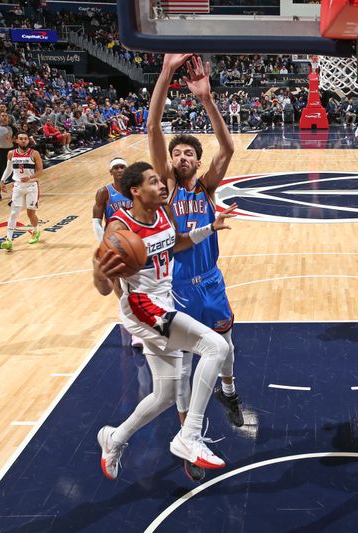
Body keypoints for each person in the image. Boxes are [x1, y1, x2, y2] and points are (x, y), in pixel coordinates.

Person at [93, 161, 237, 480]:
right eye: (154, 181)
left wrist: (210, 228)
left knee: (165, 394)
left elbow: (178, 244)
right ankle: (190, 436)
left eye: (161, 181)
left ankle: (113, 439)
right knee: (215, 347)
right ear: (136, 191)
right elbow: (103, 286)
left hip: (164, 301)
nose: (162, 185)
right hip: (142, 306)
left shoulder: (163, 213)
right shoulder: (118, 228)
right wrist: (99, 273)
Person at [148, 54, 245, 432]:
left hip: (211, 280)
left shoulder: (207, 188)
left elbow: (229, 148)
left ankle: (229, 390)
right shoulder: (164, 187)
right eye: (178, 153)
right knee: (185, 362)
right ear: (170, 162)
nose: (183, 157)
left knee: (227, 349)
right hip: (177, 285)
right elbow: (153, 125)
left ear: (197, 161)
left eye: (189, 153)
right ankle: (188, 428)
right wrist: (167, 72)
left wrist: (206, 99)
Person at [92, 157, 144, 349]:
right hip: (114, 243)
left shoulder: (135, 189)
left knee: (137, 283)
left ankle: (140, 319)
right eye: (116, 168)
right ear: (111, 172)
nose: (120, 170)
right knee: (118, 284)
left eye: (123, 167)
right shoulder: (104, 192)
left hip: (135, 242)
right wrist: (104, 243)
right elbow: (96, 220)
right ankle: (132, 326)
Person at [0, 133, 43, 251]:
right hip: (17, 186)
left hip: (31, 186)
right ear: (16, 141)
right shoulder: (11, 153)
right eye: (21, 139)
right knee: (14, 213)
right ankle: (8, 240)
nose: (23, 141)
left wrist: (30, 177)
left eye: (25, 139)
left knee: (30, 214)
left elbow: (40, 171)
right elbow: (8, 169)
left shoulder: (34, 153)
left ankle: (36, 231)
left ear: (28, 141)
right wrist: (2, 181)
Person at [0, 112, 15, 200]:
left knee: (14, 170)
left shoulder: (12, 128)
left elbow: (16, 138)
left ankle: (16, 190)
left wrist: (13, 139)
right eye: (2, 116)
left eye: (5, 116)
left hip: (11, 151)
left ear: (8, 118)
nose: (4, 117)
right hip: (0, 152)